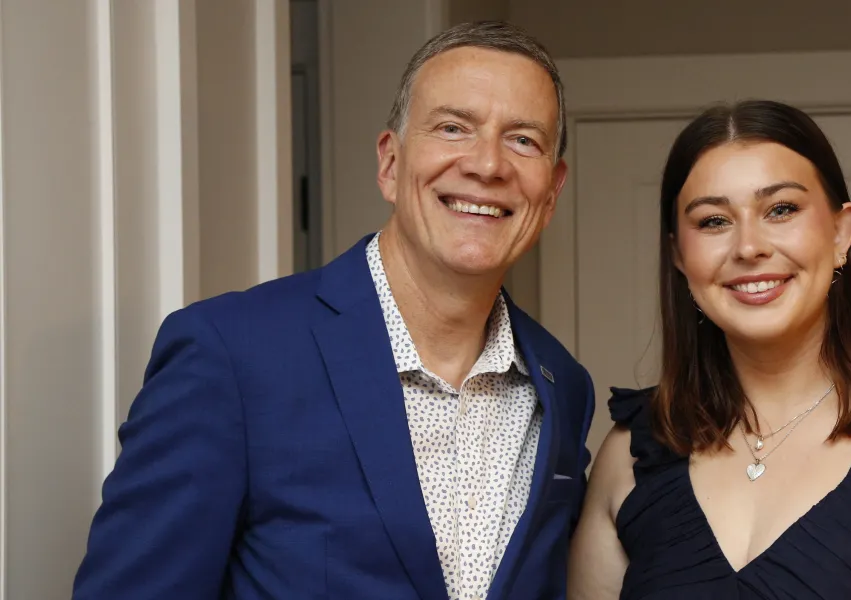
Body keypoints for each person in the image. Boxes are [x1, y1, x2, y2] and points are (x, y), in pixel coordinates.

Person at [73, 21, 593, 600]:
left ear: (552, 192)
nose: (487, 164)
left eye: (523, 140)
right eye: (453, 128)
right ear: (390, 164)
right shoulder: (231, 353)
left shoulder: (563, 385)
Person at [568, 100, 851, 599]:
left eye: (781, 209)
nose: (749, 247)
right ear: (679, 254)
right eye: (713, 221)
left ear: (841, 232)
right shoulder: (631, 456)